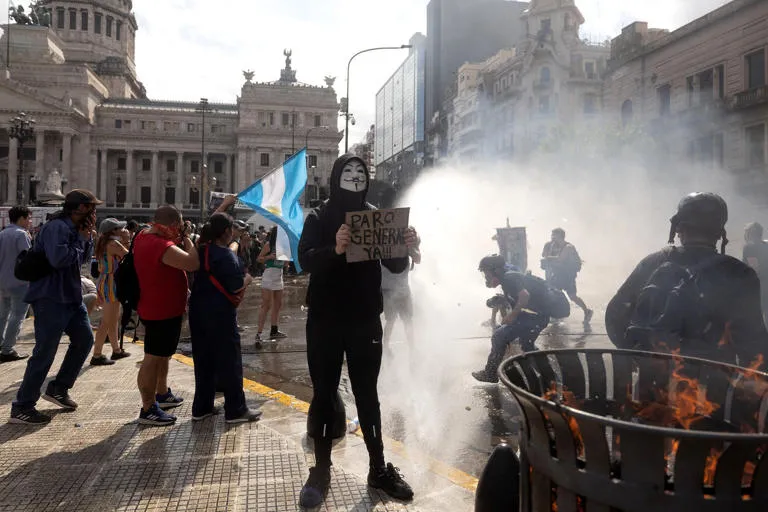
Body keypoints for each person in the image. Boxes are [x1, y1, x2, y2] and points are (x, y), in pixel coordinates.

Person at [297, 154, 420, 507]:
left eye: (361, 171)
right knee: (323, 393)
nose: (355, 175)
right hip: (325, 320)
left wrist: (407, 245)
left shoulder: (375, 216)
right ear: (336, 176)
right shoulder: (319, 216)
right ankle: (321, 469)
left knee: (368, 395)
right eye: (348, 170)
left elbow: (394, 264)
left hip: (365, 319)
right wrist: (335, 249)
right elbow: (305, 259)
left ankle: (378, 468)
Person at [605, 193, 767, 368]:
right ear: (720, 233)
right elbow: (754, 344)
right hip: (713, 380)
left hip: (654, 379)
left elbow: (615, 315)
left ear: (678, 229)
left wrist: (636, 356)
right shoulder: (739, 273)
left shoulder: (652, 262)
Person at [10, 190, 100, 424]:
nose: (94, 213)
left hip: (71, 296)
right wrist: (80, 239)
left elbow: (82, 260)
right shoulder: (57, 228)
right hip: (50, 297)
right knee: (45, 352)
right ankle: (22, 406)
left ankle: (59, 388)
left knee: (84, 340)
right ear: (80, 208)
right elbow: (58, 259)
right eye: (91, 208)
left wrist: (87, 238)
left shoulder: (78, 229)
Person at [190, 213, 262, 423]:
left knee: (203, 359)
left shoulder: (201, 249)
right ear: (227, 232)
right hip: (220, 313)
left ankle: (202, 407)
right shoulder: (226, 256)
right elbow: (236, 285)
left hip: (198, 310)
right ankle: (236, 409)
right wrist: (247, 279)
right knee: (230, 360)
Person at [133, 205, 199, 426]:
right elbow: (192, 263)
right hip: (160, 310)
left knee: (163, 355)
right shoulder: (159, 245)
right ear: (173, 225)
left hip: (163, 308)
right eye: (179, 226)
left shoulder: (143, 236)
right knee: (152, 358)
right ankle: (148, 408)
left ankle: (161, 393)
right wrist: (188, 239)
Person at [472, 255, 551, 383]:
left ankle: (490, 374)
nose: (486, 277)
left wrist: (512, 315)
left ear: (496, 271)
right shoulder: (507, 277)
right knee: (527, 346)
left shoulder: (508, 278)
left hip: (536, 317)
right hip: (538, 316)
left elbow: (524, 296)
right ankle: (550, 376)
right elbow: (520, 297)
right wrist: (502, 299)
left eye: (487, 273)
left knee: (498, 336)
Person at [90, 218, 131, 365]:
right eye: (120, 228)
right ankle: (97, 355)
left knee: (113, 319)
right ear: (113, 231)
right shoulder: (114, 243)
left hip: (107, 281)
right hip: (111, 282)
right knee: (107, 321)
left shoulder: (104, 242)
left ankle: (116, 350)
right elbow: (130, 257)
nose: (123, 230)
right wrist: (127, 240)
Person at [541, 228, 593, 325]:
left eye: (554, 235)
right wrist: (548, 247)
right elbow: (544, 255)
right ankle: (555, 315)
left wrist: (549, 258)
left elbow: (560, 259)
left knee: (572, 296)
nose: (552, 237)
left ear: (560, 236)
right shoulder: (552, 245)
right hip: (557, 275)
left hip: (568, 276)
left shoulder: (568, 247)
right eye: (552, 235)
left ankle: (587, 311)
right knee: (553, 294)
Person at [0, 206, 32, 362]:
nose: (30, 222)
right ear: (21, 219)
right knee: (17, 315)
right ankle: (7, 349)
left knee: (3, 314)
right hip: (19, 281)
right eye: (28, 218)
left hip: (3, 280)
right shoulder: (21, 234)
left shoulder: (2, 233)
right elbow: (28, 258)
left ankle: (2, 343)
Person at [381, 246, 421, 346]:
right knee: (392, 320)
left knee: (406, 320)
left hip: (401, 289)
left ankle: (411, 347)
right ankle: (386, 346)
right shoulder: (382, 244)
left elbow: (417, 258)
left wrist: (412, 247)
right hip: (390, 290)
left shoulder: (406, 241)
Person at [255, 226, 287, 343]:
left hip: (279, 276)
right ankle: (259, 333)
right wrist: (270, 257)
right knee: (266, 305)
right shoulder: (269, 245)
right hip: (268, 276)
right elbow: (259, 259)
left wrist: (285, 260)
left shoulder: (285, 247)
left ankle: (274, 330)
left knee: (278, 304)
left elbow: (285, 264)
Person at [742, 222, 768, 323]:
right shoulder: (766, 245)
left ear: (750, 233)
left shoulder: (749, 248)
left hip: (759, 287)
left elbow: (753, 269)